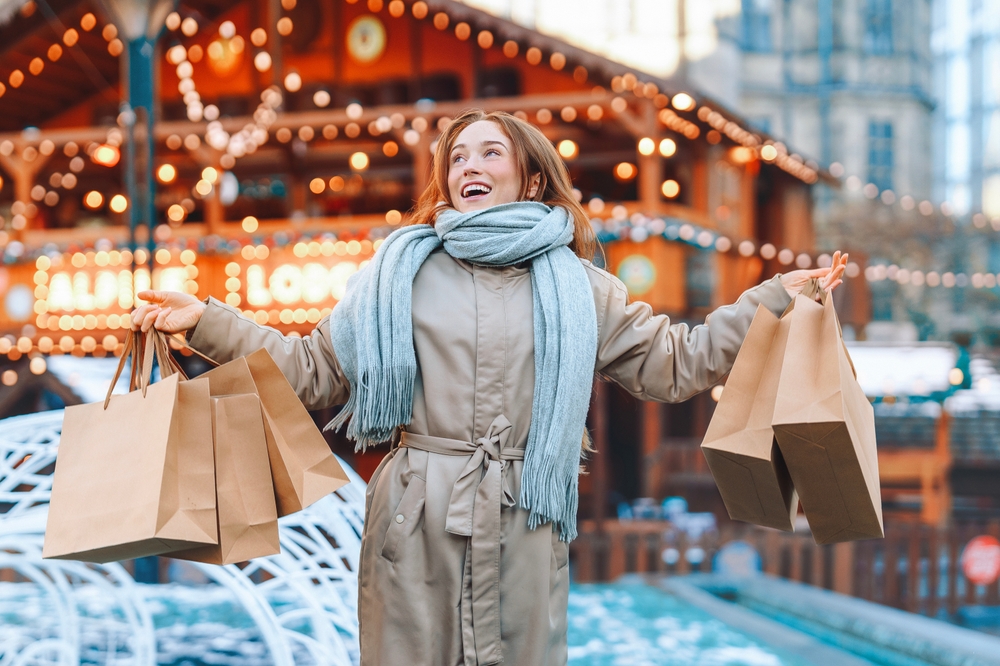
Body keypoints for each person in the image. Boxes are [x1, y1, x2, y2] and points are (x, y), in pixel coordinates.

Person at [133, 109, 847, 666]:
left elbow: (674, 364)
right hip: (414, 519)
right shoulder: (395, 275)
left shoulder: (582, 287)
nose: (467, 165)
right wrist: (209, 323)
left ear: (531, 180)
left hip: (526, 517)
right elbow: (313, 370)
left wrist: (774, 299)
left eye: (488, 152)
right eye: (457, 157)